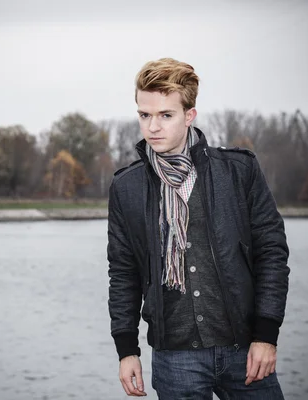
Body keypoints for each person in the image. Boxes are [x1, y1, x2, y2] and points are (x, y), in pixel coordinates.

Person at [107, 58, 290, 399]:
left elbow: (271, 254)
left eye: (165, 115)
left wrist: (266, 335)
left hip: (245, 350)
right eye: (144, 115)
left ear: (189, 115)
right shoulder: (126, 187)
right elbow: (123, 273)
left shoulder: (238, 171)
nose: (152, 127)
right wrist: (126, 349)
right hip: (176, 358)